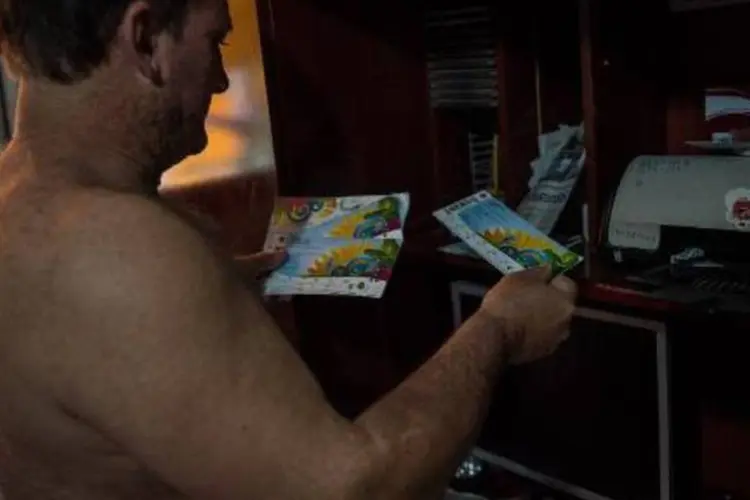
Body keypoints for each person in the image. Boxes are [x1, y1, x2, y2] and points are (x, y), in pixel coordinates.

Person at [0, 0, 578, 499]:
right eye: (215, 40)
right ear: (148, 39)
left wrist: (223, 285)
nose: (224, 79)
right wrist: (500, 329)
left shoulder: (20, 196)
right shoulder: (114, 246)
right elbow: (358, 488)